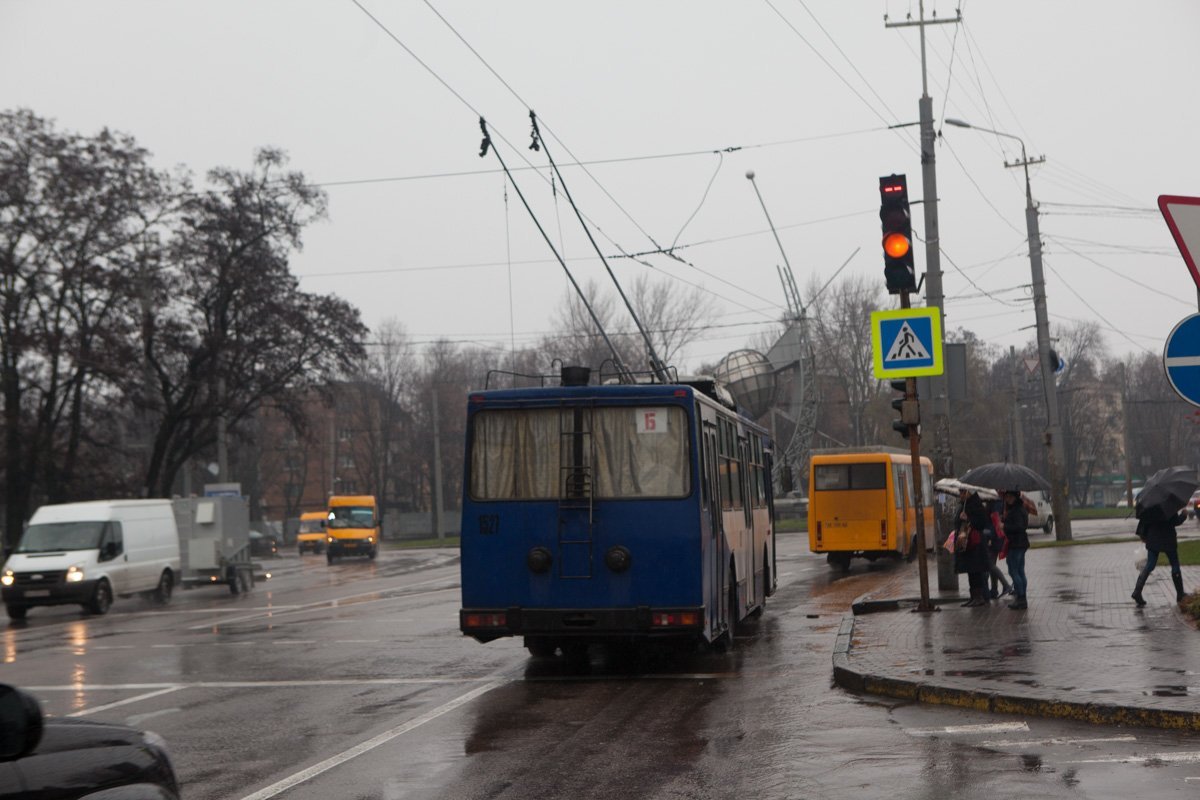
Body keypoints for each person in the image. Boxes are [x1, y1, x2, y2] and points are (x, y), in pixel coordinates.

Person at [1132, 508, 1188, 607]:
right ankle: (1180, 594)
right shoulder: (1168, 505)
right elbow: (1176, 521)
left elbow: (1144, 523)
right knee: (1174, 564)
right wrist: (1183, 515)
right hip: (1168, 540)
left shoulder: (1149, 507)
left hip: (1153, 539)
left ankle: (1137, 592)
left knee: (1150, 565)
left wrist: (1144, 536)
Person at [954, 489, 992, 607]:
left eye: (962, 492)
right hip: (967, 544)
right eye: (960, 492)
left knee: (976, 571)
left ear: (968, 493)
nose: (960, 495)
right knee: (971, 572)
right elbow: (957, 522)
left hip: (975, 545)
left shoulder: (976, 506)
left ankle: (979, 597)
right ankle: (974, 596)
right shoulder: (964, 505)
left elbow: (981, 523)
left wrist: (968, 519)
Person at [1000, 490, 1030, 610]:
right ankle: (1022, 597)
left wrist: (1004, 526)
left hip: (1016, 544)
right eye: (1006, 497)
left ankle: (1021, 597)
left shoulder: (1016, 510)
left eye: (1009, 497)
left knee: (1014, 571)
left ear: (1015, 497)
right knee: (1020, 571)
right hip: (1021, 543)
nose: (1007, 499)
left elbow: (1018, 527)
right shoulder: (1020, 508)